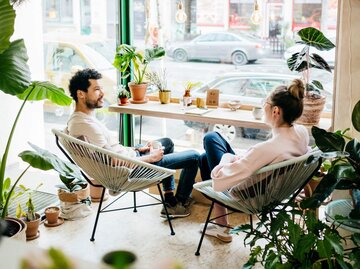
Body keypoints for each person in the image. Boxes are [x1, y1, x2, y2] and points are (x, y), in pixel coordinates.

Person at [66, 68, 200, 218]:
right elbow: (114, 160)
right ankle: (178, 203)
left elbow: (111, 152)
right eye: (97, 89)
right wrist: (150, 158)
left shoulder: (80, 119)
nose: (102, 94)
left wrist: (139, 150)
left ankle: (169, 199)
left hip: (130, 159)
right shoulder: (85, 125)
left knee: (166, 142)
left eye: (101, 89)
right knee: (194, 156)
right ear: (80, 94)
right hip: (130, 170)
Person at [198, 79, 309, 242]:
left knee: (210, 138)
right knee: (204, 157)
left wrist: (228, 159)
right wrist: (240, 159)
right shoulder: (301, 133)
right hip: (272, 191)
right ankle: (220, 226)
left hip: (248, 196)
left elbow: (218, 179)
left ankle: (221, 226)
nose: (264, 105)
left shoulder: (267, 148)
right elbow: (262, 162)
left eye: (266, 102)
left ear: (276, 111)